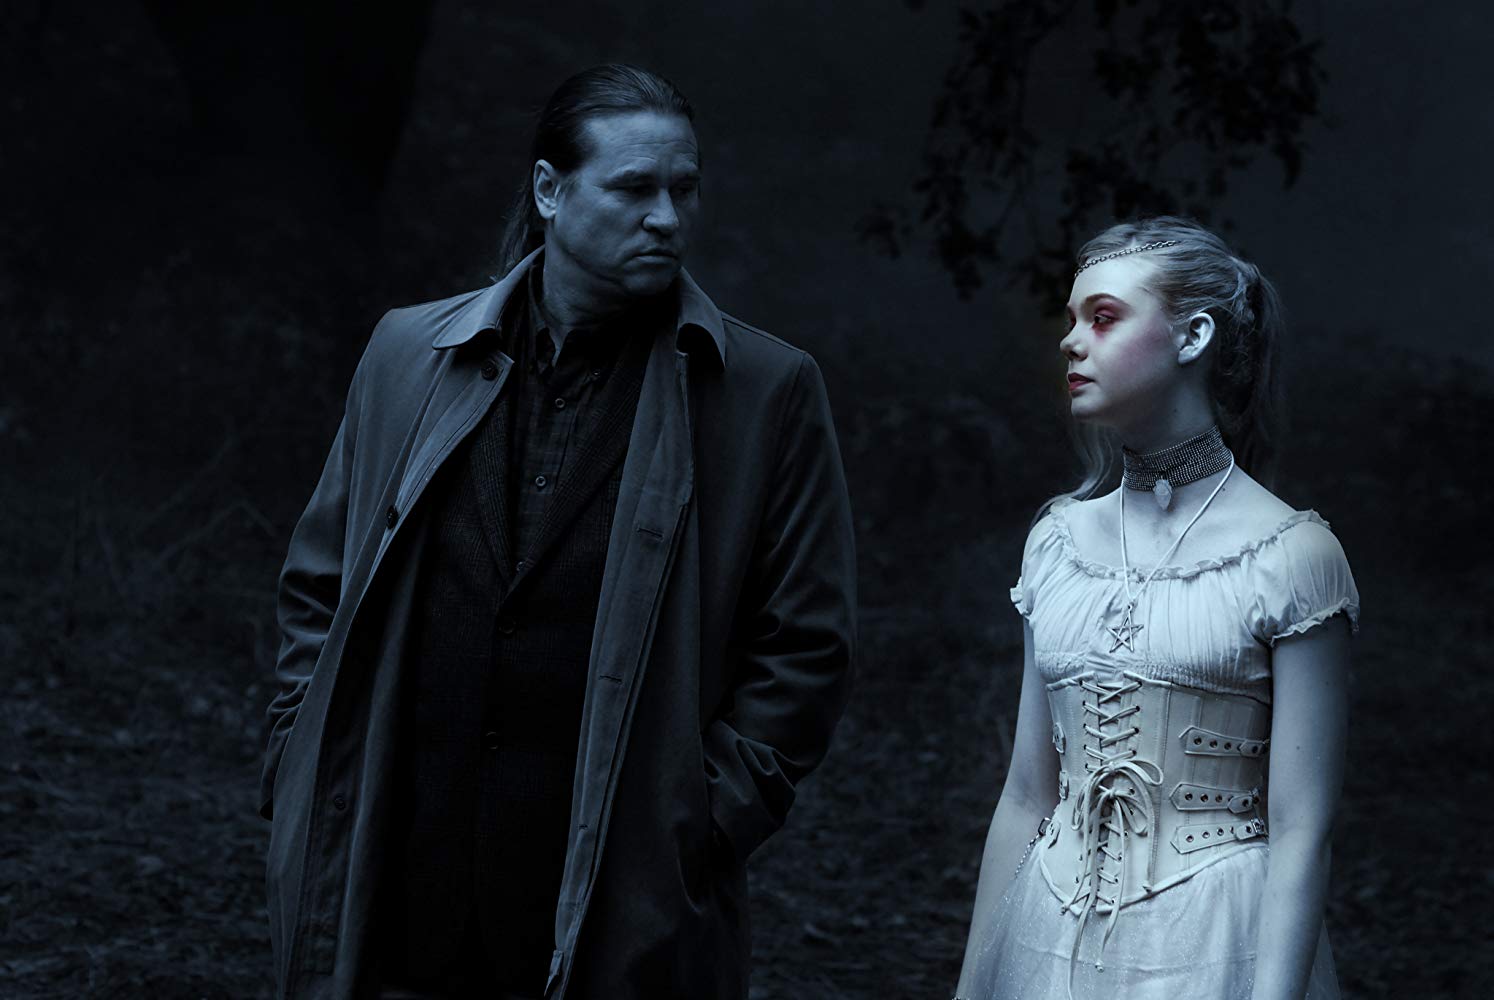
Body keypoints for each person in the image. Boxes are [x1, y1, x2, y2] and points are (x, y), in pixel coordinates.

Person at [258, 64, 856, 1000]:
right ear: (549, 190)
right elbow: (320, 580)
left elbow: (806, 648)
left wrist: (696, 824)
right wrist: (300, 753)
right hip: (397, 880)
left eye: (684, 189)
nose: (666, 217)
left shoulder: (762, 390)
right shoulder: (409, 355)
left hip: (619, 900)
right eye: (634, 188)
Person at [954, 217, 1357, 1000]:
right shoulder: (1057, 541)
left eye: (1103, 317)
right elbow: (1027, 795)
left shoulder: (1292, 556)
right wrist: (969, 990)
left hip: (1219, 939)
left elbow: (1303, 829)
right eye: (1072, 319)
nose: (1071, 341)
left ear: (1192, 336)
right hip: (1047, 933)